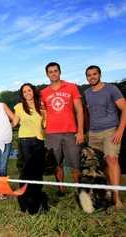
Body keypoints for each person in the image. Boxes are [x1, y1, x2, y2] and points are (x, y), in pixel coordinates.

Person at [84, 65, 126, 208]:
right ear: (86, 78)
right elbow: (88, 114)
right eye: (89, 75)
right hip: (93, 133)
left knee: (112, 159)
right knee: (100, 165)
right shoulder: (87, 93)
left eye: (94, 74)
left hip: (110, 131)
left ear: (100, 74)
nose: (92, 77)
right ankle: (108, 190)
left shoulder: (111, 89)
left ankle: (116, 198)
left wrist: (120, 130)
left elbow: (124, 108)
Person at [41, 62, 84, 196]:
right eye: (50, 71)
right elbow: (43, 114)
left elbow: (79, 110)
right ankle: (61, 190)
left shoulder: (71, 87)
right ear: (47, 74)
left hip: (70, 132)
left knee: (75, 164)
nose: (53, 73)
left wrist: (81, 131)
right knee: (56, 164)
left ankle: (79, 190)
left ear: (60, 72)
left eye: (55, 71)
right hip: (52, 134)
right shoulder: (43, 92)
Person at [14, 83, 45, 187]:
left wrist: (44, 113)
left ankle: (37, 189)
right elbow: (14, 123)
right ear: (22, 94)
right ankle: (25, 189)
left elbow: (45, 124)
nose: (27, 93)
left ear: (33, 91)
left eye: (29, 90)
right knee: (27, 166)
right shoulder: (19, 107)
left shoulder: (41, 105)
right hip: (25, 140)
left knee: (38, 166)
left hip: (39, 139)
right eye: (24, 91)